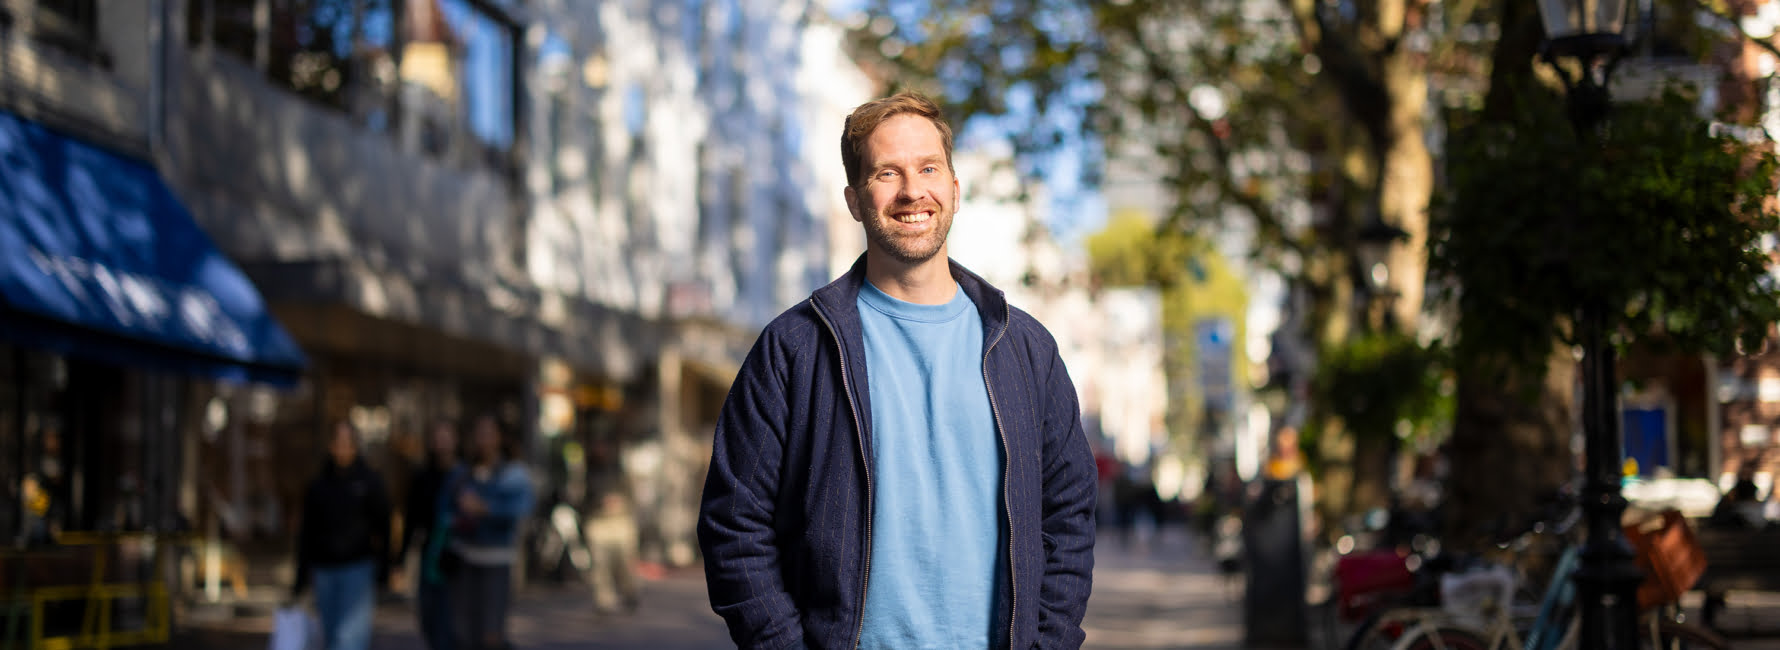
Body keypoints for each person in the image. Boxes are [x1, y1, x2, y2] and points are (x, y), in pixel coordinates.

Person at [698, 91, 1098, 649]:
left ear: (955, 191)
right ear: (855, 200)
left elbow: (1069, 517)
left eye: (928, 168)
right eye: (887, 173)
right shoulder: (796, 348)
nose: (913, 191)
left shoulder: (1024, 348)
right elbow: (734, 524)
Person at [292, 421, 392, 650]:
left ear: (356, 446)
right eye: (338, 442)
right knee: (331, 635)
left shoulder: (370, 481)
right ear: (330, 446)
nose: (343, 448)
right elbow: (306, 531)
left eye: (348, 442)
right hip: (324, 569)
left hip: (357, 568)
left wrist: (385, 568)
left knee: (349, 639)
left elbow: (383, 526)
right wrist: (300, 575)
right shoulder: (318, 486)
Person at [438, 415, 534, 650]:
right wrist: (459, 513)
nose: (483, 440)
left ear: (501, 437)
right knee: (463, 632)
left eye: (489, 433)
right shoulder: (462, 472)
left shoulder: (514, 473)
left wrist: (486, 508)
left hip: (496, 559)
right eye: (479, 433)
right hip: (464, 558)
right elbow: (443, 509)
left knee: (491, 633)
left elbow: (522, 509)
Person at [397, 419, 460, 650]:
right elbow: (412, 520)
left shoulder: (464, 476)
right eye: (438, 438)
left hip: (456, 561)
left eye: (447, 437)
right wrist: (400, 559)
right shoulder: (422, 478)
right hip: (429, 558)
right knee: (429, 621)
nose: (442, 444)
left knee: (449, 626)